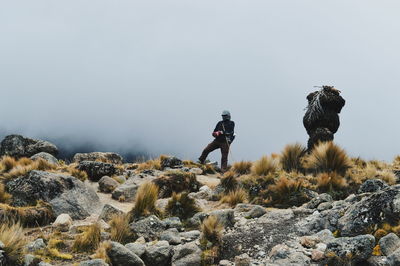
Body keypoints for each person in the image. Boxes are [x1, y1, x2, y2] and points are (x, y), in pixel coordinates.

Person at [303, 86, 345, 151]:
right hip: (320, 131)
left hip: (314, 130)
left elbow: (340, 103)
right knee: (321, 145)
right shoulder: (325, 99)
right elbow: (340, 102)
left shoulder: (315, 103)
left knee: (314, 148)